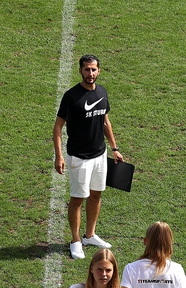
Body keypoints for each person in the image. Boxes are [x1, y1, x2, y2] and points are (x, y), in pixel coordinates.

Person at [53, 54, 125, 260]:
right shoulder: (72, 96)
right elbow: (58, 127)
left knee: (96, 195)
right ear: (80, 71)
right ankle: (75, 241)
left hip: (100, 155)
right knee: (77, 199)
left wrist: (114, 147)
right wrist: (59, 156)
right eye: (86, 69)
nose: (90, 73)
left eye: (93, 69)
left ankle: (89, 235)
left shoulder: (102, 92)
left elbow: (105, 122)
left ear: (99, 70)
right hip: (79, 158)